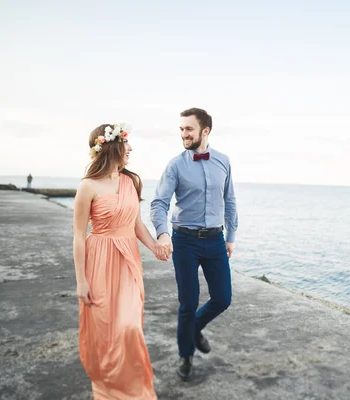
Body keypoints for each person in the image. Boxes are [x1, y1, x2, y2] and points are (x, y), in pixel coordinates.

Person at [73, 123, 166, 399]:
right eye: (127, 143)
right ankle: (109, 389)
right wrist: (81, 280)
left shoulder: (131, 181)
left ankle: (134, 391)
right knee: (105, 331)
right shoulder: (87, 186)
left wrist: (155, 247)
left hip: (127, 260)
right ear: (113, 146)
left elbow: (136, 224)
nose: (131, 149)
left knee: (129, 327)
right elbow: (78, 236)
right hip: (99, 260)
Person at [151, 108, 238, 381]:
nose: (183, 134)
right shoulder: (175, 165)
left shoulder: (223, 161)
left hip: (214, 240)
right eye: (181, 129)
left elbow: (230, 200)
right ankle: (185, 355)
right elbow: (159, 202)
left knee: (223, 298)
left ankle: (194, 328)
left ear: (205, 131)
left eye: (188, 129)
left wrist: (231, 236)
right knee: (187, 303)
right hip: (185, 240)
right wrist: (162, 233)